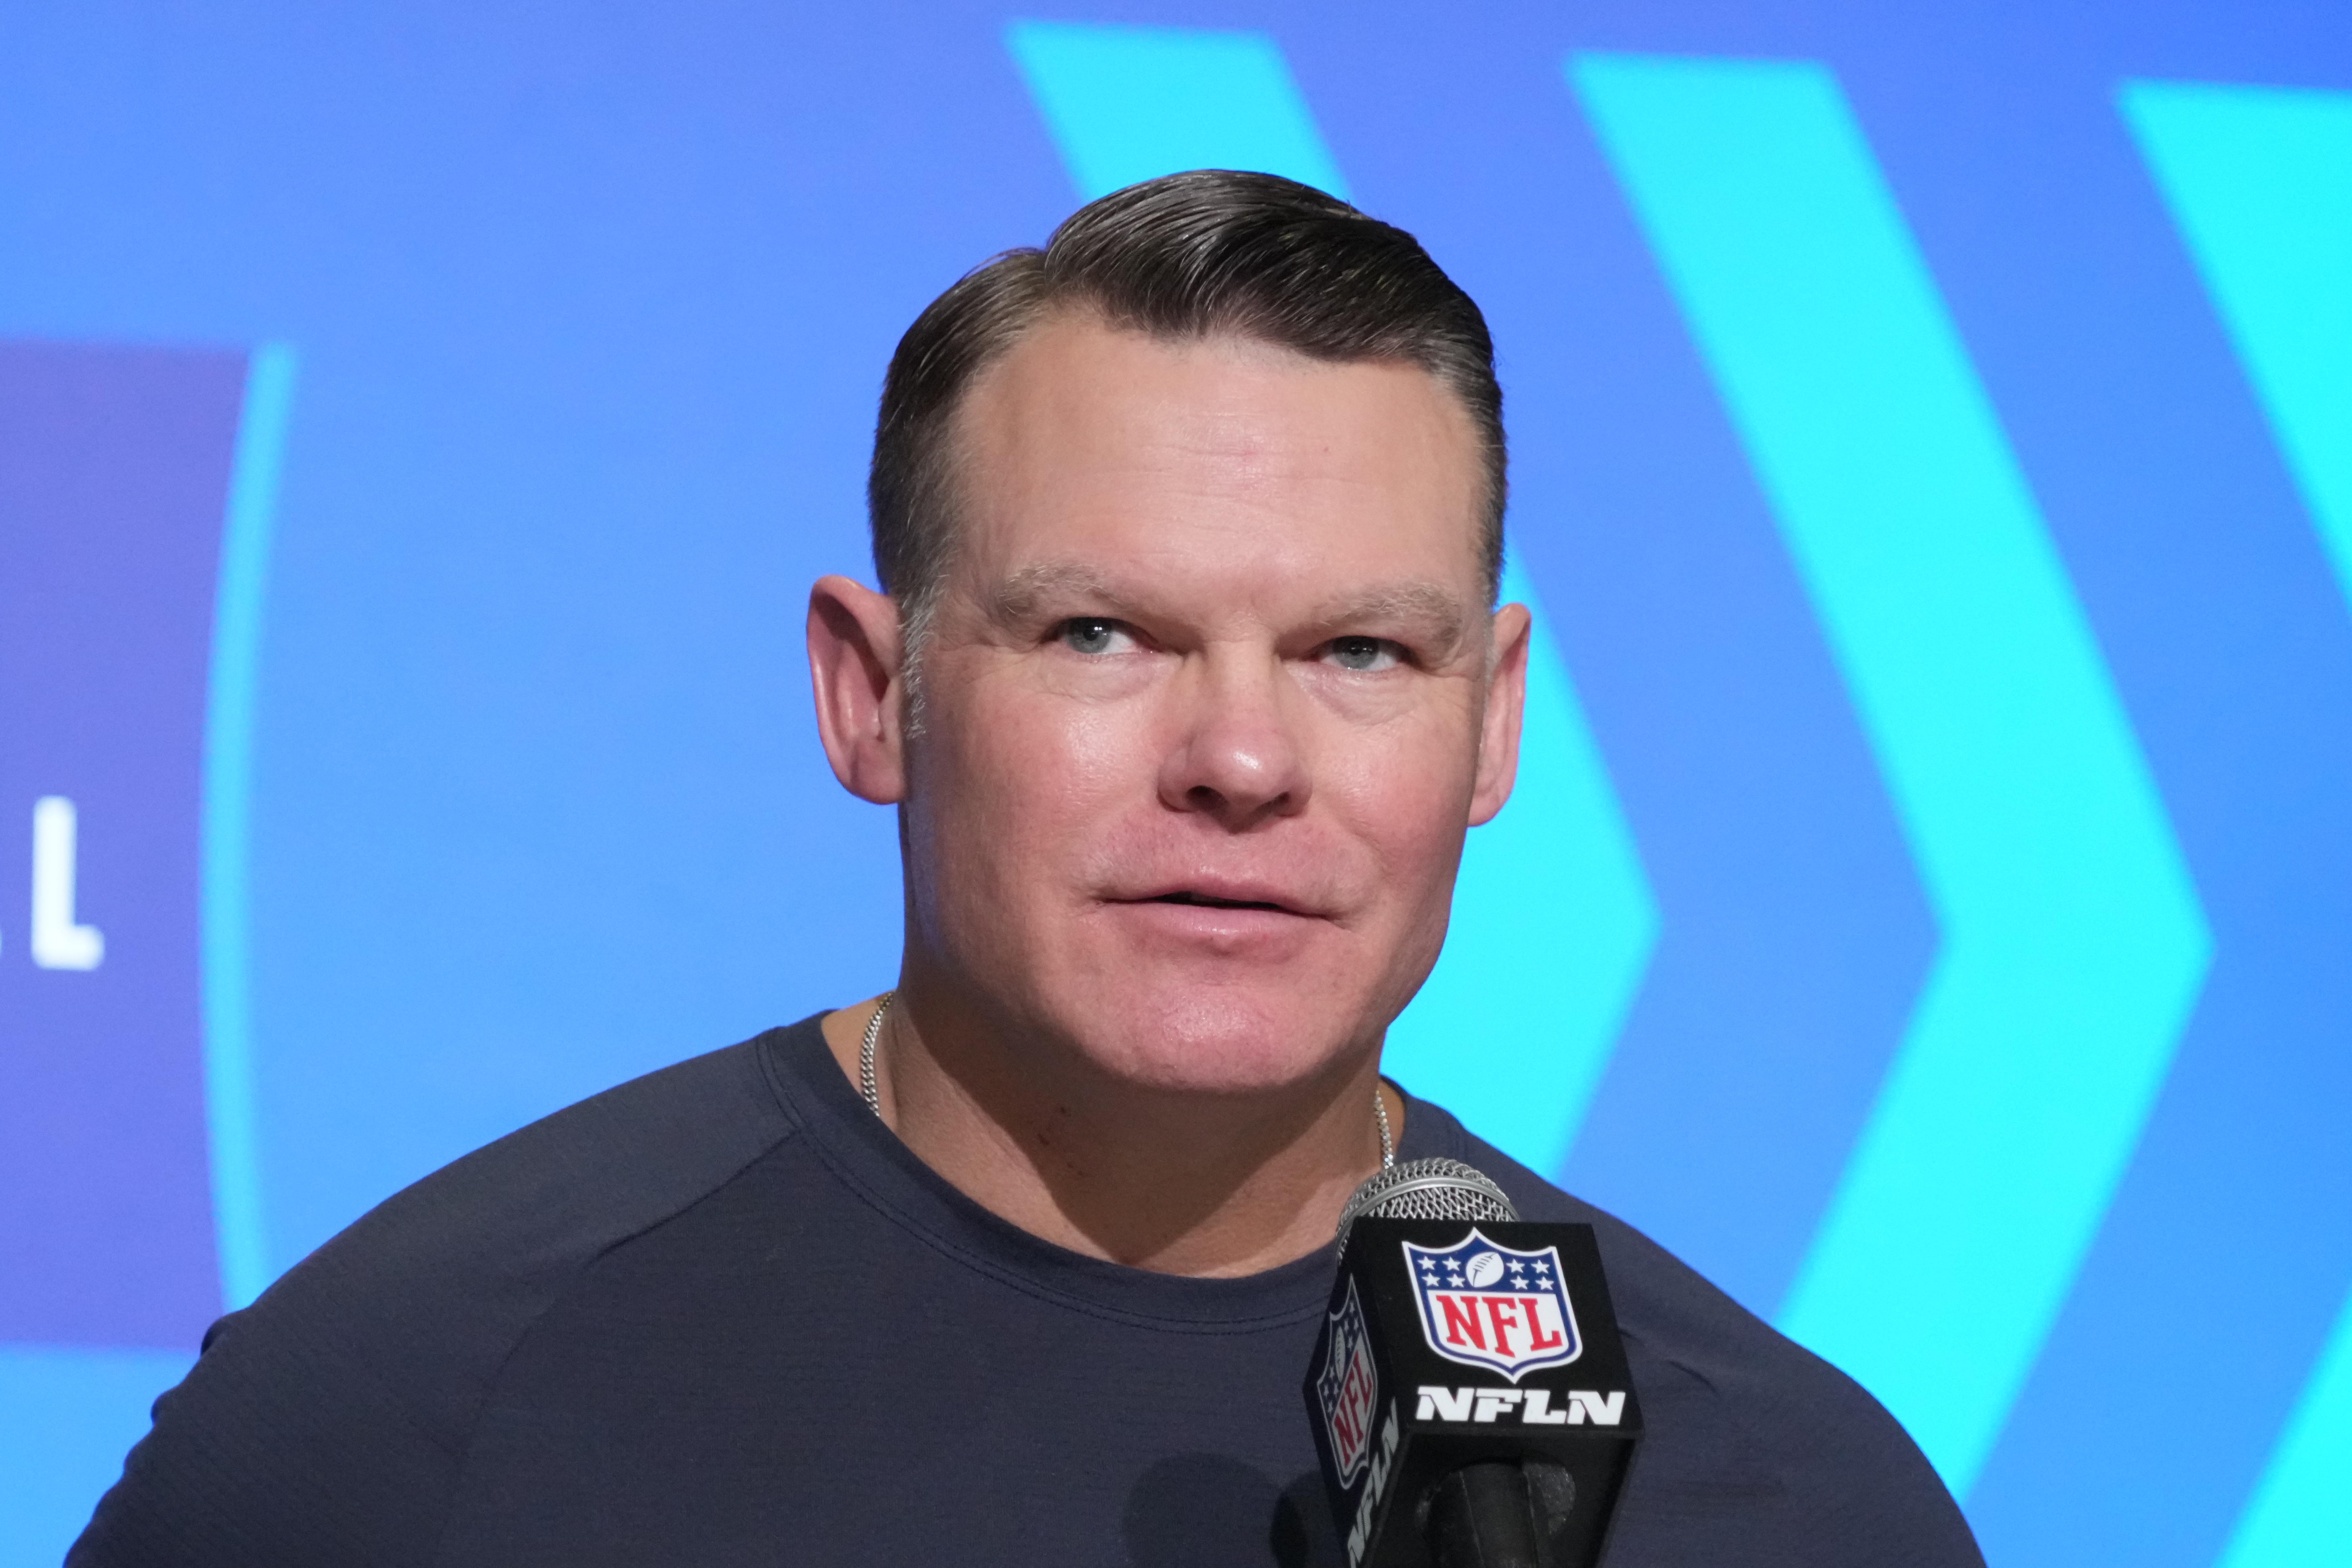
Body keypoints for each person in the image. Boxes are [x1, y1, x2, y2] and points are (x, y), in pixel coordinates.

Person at [72, 171, 1981, 1567]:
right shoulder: (418, 1411)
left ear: (1487, 728)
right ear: (871, 691)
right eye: (1101, 635)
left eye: (1357, 654)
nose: (1240, 760)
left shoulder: (1783, 1500)